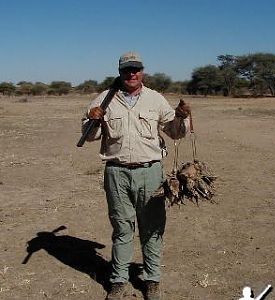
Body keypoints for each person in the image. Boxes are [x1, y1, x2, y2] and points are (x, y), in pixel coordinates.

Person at [81, 51, 191, 300]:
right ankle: (118, 280)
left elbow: (174, 133)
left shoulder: (155, 99)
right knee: (122, 228)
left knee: (152, 228)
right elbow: (89, 137)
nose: (132, 74)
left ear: (143, 71)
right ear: (119, 72)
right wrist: (93, 119)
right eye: (126, 70)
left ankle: (152, 280)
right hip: (116, 173)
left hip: (150, 172)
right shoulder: (103, 99)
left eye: (136, 69)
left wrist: (182, 117)